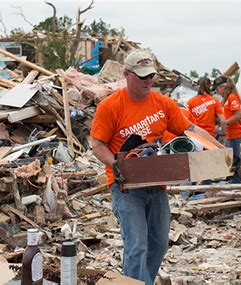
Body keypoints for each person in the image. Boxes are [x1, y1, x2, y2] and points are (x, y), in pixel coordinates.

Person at [90, 49, 223, 284]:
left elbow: (190, 130)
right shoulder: (110, 106)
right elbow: (98, 144)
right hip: (126, 186)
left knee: (159, 243)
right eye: (142, 76)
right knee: (137, 245)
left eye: (151, 75)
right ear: (127, 74)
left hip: (156, 183)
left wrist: (219, 150)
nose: (148, 81)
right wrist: (115, 165)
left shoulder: (163, 103)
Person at [212, 75, 241, 183]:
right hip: (229, 133)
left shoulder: (232, 97)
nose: (217, 92)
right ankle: (231, 178)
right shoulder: (226, 99)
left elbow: (238, 115)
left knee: (235, 158)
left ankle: (235, 180)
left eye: (217, 89)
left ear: (223, 86)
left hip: (235, 133)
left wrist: (225, 122)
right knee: (230, 158)